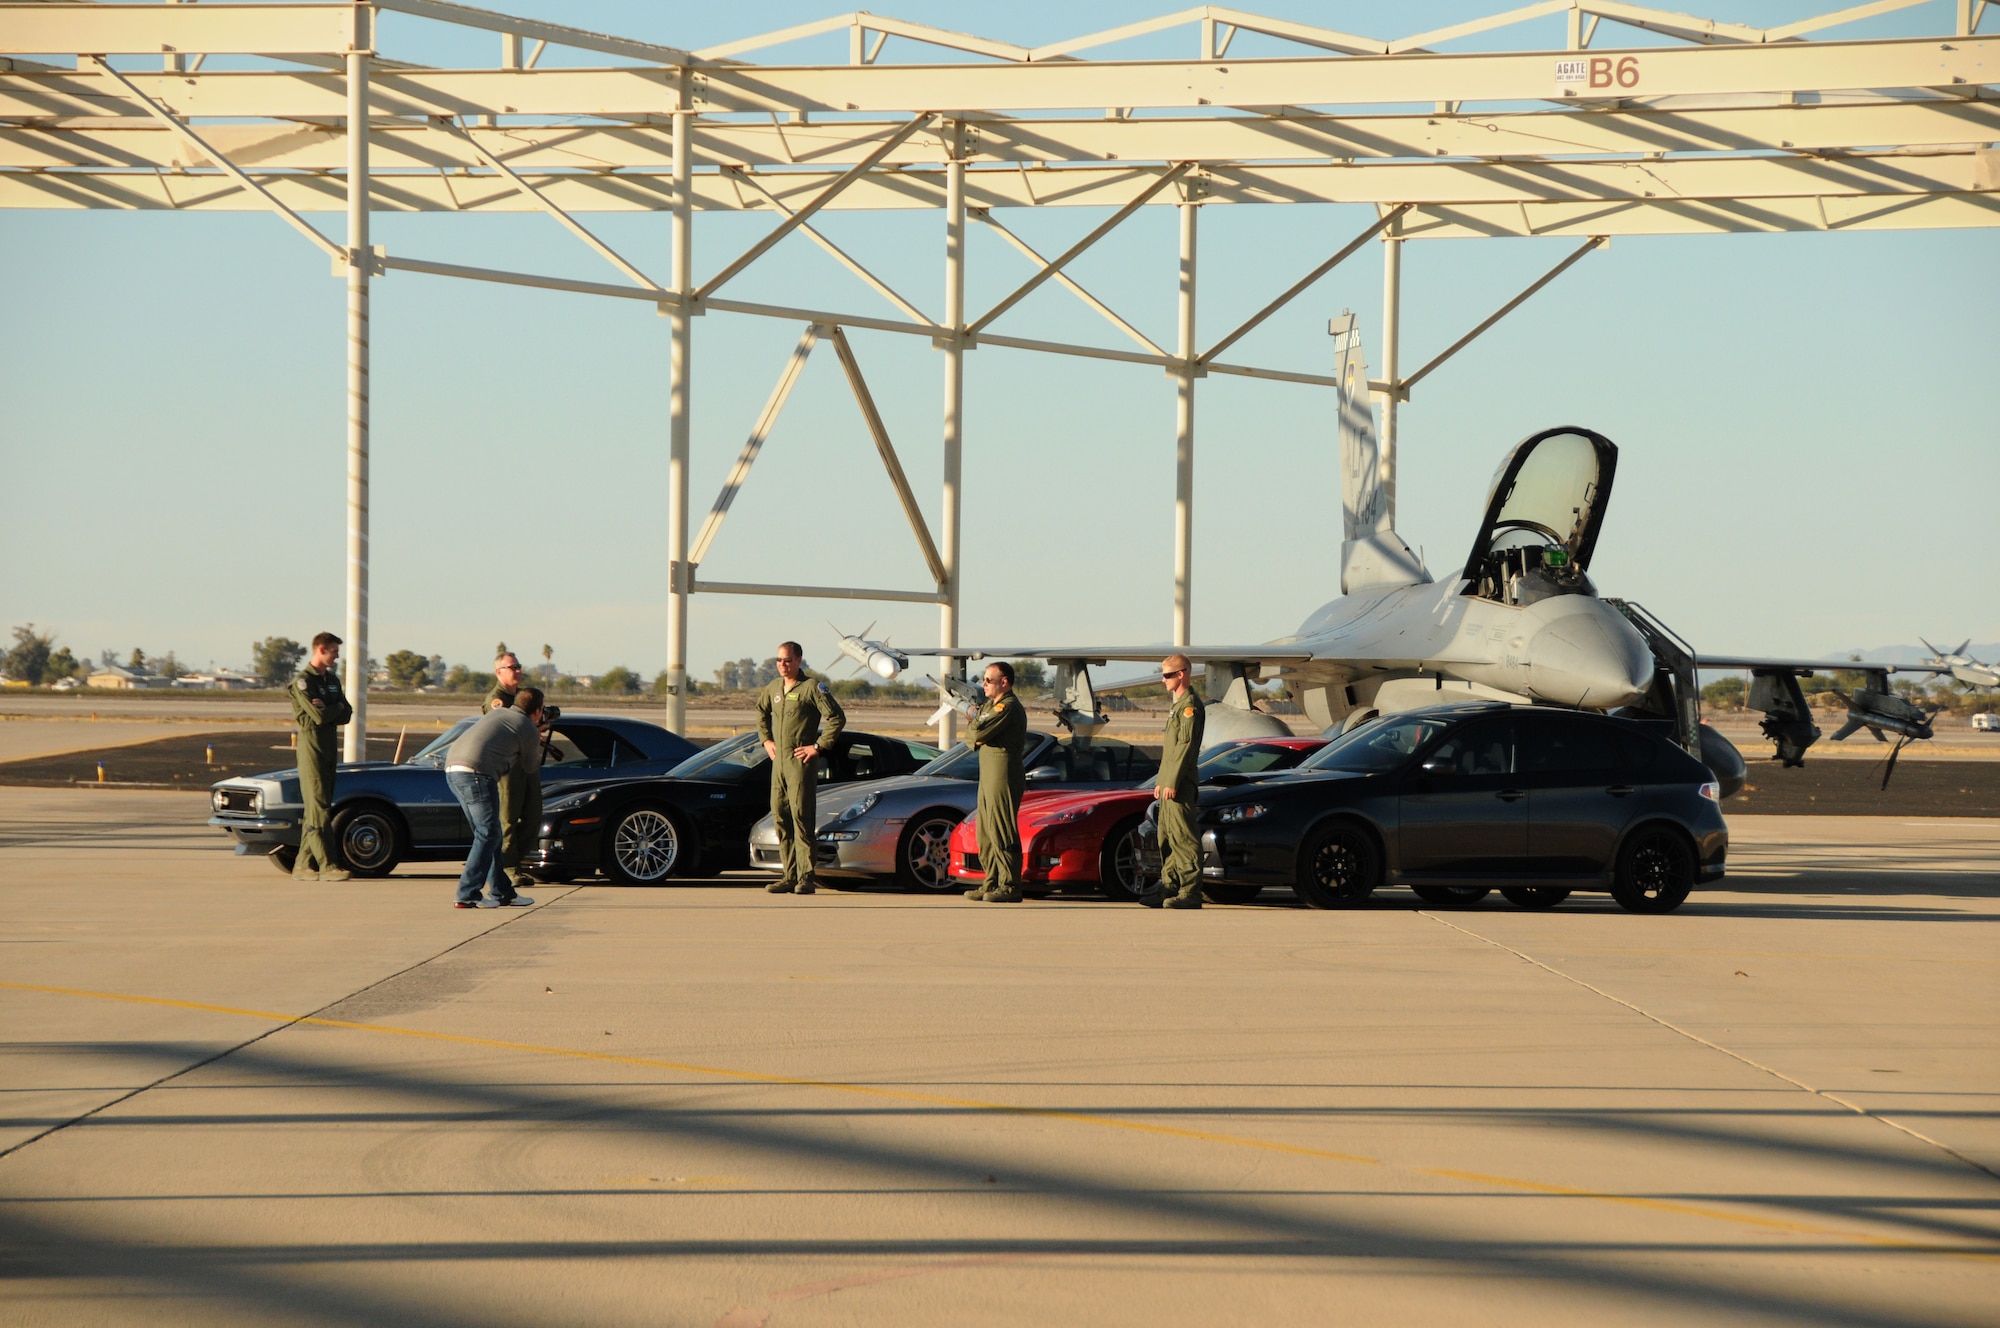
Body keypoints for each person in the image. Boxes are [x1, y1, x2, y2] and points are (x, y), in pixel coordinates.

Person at [756, 642, 846, 895]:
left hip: (800, 763)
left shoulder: (811, 688)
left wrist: (817, 746)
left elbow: (837, 718)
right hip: (779, 764)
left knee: (801, 819)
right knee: (781, 818)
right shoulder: (773, 688)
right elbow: (761, 712)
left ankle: (806, 877)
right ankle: (788, 875)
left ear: (799, 661)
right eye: (779, 660)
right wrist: (767, 740)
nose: (783, 665)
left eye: (788, 660)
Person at [445, 688, 544, 908]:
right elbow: (530, 766)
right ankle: (468, 893)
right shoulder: (526, 725)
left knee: (489, 836)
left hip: (453, 770)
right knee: (489, 834)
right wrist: (534, 739)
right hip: (477, 774)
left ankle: (503, 892)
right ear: (538, 711)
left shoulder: (498, 714)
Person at [288, 631, 353, 883]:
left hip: (329, 748)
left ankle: (303, 864)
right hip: (312, 749)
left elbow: (347, 713)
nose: (337, 656)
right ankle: (327, 864)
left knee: (320, 805)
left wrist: (332, 708)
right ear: (321, 649)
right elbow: (318, 717)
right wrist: (332, 710)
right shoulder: (303, 682)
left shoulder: (333, 680)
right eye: (334, 651)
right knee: (320, 809)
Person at [962, 660, 1027, 904]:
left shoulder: (1007, 707)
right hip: (988, 775)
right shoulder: (991, 705)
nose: (984, 684)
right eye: (983, 679)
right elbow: (975, 731)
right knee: (986, 832)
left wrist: (975, 728)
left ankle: (1010, 884)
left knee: (1002, 828)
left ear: (1004, 682)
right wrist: (975, 727)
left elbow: (977, 733)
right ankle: (991, 881)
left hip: (1003, 774)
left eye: (989, 680)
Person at [1147, 653, 1206, 909]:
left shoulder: (1190, 706)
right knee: (1167, 836)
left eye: (1168, 675)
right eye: (1162, 675)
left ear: (1182, 674)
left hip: (1181, 784)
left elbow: (1185, 747)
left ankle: (1190, 891)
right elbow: (1169, 751)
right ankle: (1169, 885)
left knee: (1183, 837)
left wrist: (1172, 781)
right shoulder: (1177, 707)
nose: (1164, 680)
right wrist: (1161, 781)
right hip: (1170, 783)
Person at [484, 651, 544, 896]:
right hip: (508, 766)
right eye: (512, 667)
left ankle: (513, 861)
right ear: (500, 672)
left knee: (533, 813)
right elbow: (502, 728)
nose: (517, 671)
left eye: (519, 666)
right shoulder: (497, 700)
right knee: (508, 817)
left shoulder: (521, 698)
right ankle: (508, 868)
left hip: (526, 762)